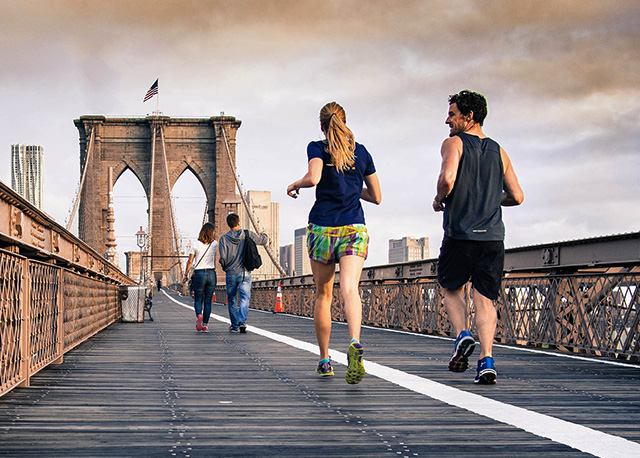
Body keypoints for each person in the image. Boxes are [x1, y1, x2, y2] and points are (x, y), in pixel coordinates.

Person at [287, 101, 382, 384]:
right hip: (354, 227)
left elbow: (314, 178)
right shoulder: (361, 152)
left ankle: (325, 359)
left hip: (323, 228)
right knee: (350, 290)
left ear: (321, 125)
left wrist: (295, 184)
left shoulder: (317, 147)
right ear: (344, 121)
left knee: (323, 295)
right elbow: (376, 196)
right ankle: (354, 341)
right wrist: (354, 189)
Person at [433, 90, 524, 384]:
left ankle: (462, 335)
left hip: (460, 233)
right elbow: (517, 196)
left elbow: (447, 179)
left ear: (468, 117)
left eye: (452, 114)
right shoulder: (500, 151)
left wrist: (439, 199)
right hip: (493, 237)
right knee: (485, 300)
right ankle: (486, 360)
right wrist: (490, 200)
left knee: (451, 288)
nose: (447, 120)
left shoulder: (454, 143)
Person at [218, 213, 268, 333]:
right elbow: (263, 241)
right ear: (239, 222)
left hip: (230, 273)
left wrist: (226, 268)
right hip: (245, 272)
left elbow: (223, 258)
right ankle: (242, 321)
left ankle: (235, 325)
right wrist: (264, 234)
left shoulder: (223, 239)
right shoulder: (247, 234)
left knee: (232, 299)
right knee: (245, 297)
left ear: (228, 224)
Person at [183, 222, 218, 333]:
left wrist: (186, 274)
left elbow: (190, 261)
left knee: (198, 299)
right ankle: (205, 325)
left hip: (199, 274)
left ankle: (199, 315)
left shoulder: (196, 244)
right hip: (211, 274)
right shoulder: (215, 244)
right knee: (208, 302)